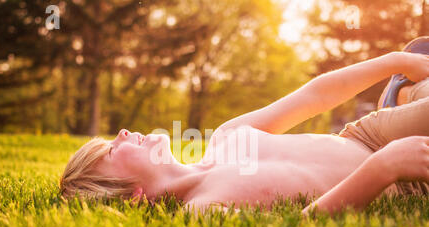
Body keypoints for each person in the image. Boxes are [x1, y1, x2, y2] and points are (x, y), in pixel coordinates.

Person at [60, 49, 429, 216]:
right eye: (111, 149)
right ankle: (404, 93)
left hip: (366, 136)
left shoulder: (226, 135)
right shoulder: (202, 211)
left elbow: (314, 96)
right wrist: (383, 168)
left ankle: (402, 88)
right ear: (134, 196)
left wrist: (394, 60)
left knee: (419, 63)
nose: (122, 132)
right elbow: (303, 225)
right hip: (396, 176)